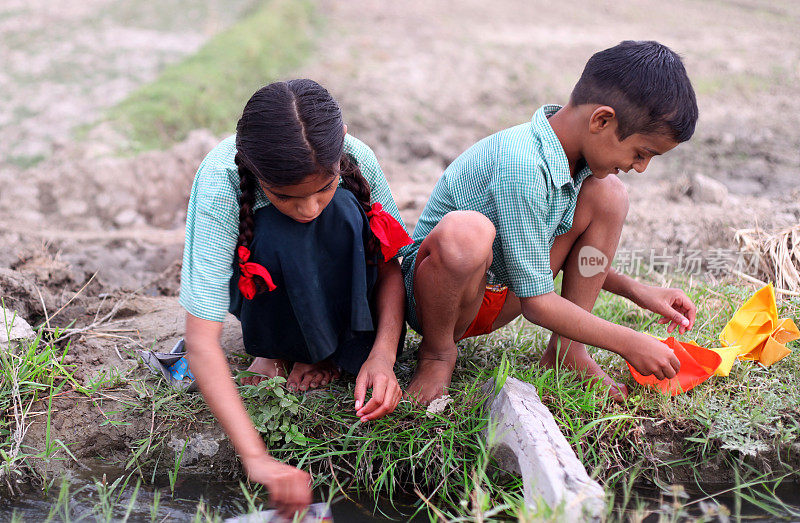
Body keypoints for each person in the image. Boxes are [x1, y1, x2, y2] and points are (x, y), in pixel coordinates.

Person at [401, 40, 700, 404]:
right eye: (640, 153)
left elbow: (559, 257)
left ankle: (567, 353)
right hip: (440, 302)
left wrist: (636, 290)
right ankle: (437, 354)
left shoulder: (578, 167)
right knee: (467, 235)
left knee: (610, 195)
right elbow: (538, 303)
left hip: (500, 292)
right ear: (601, 120)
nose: (640, 167)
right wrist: (629, 341)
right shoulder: (522, 164)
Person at [179, 79, 411, 517]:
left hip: (340, 285)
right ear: (252, 167)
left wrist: (382, 356)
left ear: (339, 148)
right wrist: (255, 458)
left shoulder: (356, 156)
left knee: (343, 212)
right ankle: (274, 351)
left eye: (323, 187)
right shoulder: (220, 179)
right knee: (284, 230)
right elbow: (201, 340)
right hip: (260, 284)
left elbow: (389, 265)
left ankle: (327, 352)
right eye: (285, 195)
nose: (308, 207)